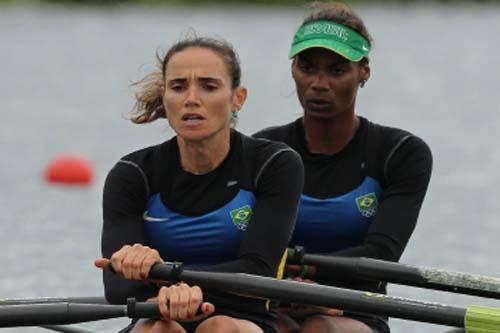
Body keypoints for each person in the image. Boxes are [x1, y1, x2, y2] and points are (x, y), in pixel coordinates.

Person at [94, 36, 304, 333]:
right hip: (158, 313)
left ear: (237, 98)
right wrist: (162, 288)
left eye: (209, 86)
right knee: (161, 330)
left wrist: (167, 275)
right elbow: (116, 287)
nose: (192, 98)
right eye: (178, 87)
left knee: (219, 328)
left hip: (244, 319)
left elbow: (258, 271)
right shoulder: (132, 173)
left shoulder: (274, 164)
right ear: (165, 96)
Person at [253, 2, 433, 333]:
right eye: (307, 68)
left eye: (336, 70)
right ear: (293, 68)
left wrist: (306, 279)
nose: (319, 83)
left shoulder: (401, 153)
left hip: (356, 310)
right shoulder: (263, 151)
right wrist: (293, 285)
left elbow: (380, 255)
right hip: (272, 305)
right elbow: (245, 245)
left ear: (364, 71)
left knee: (320, 328)